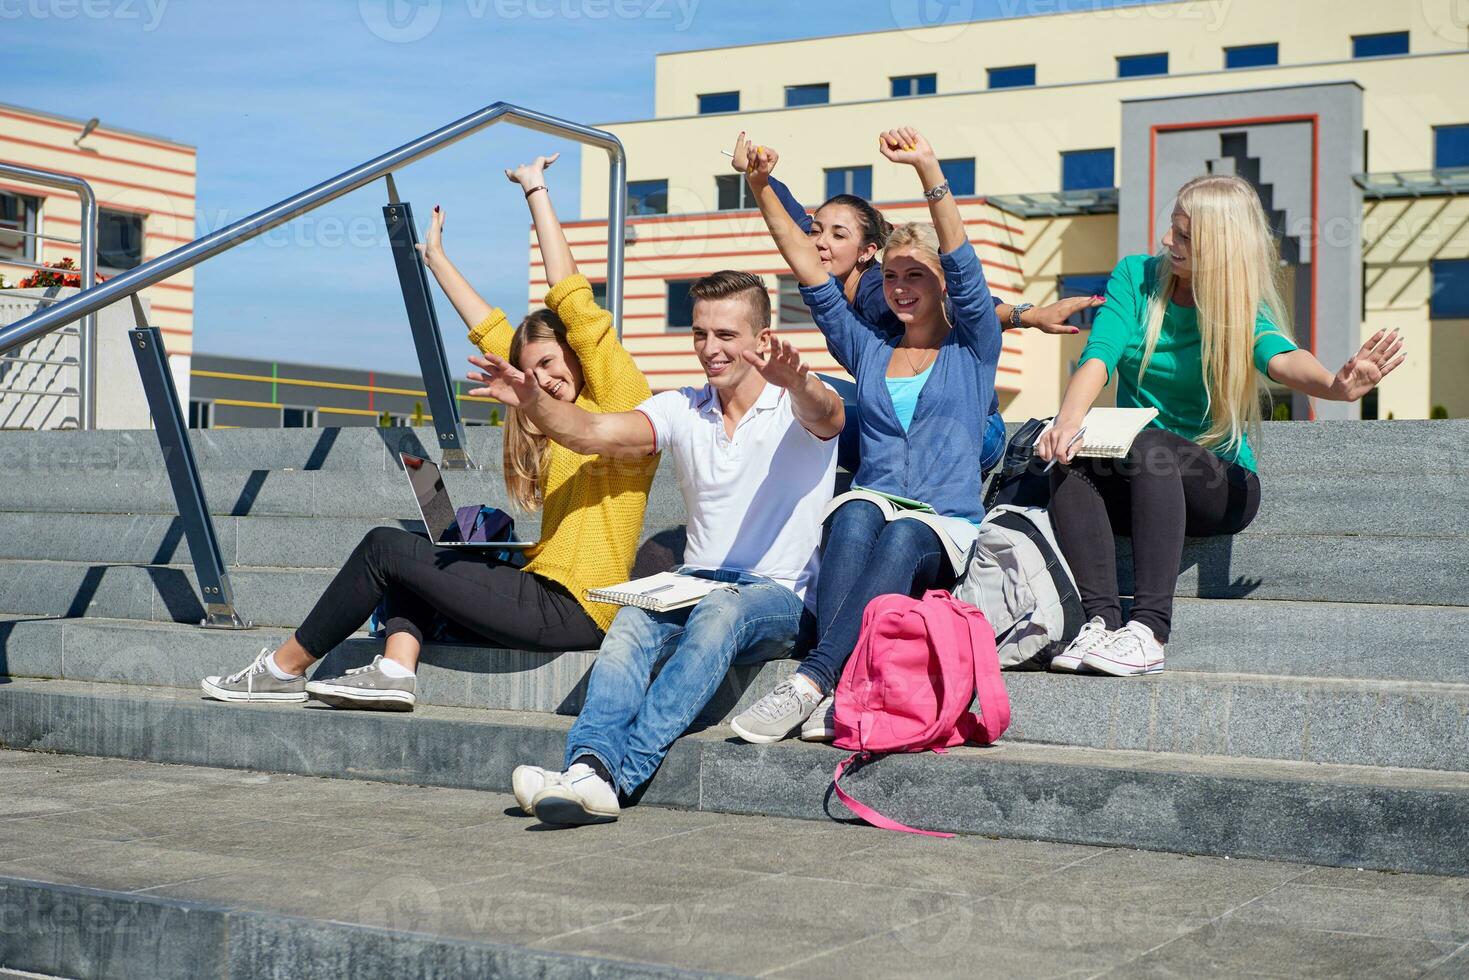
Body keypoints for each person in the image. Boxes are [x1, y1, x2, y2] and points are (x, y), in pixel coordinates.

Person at [201, 153, 658, 710]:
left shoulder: (618, 402)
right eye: (534, 368)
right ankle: (395, 667)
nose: (545, 377)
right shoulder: (550, 411)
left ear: (583, 357)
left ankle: (283, 668)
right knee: (422, 555)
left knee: (383, 548)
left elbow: (574, 300)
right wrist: (435, 259)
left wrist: (535, 189)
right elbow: (492, 334)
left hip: (574, 607)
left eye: (554, 362)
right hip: (546, 591)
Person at [473, 270, 843, 825]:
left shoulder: (795, 402)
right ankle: (588, 767)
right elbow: (591, 433)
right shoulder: (682, 408)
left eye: (725, 335)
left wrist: (799, 381)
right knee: (632, 617)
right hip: (692, 580)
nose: (710, 350)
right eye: (700, 334)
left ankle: (619, 776)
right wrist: (534, 404)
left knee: (723, 609)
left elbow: (827, 414)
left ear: (761, 340)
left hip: (779, 597)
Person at [1037, 174, 1405, 677]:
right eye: (1172, 228)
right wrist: (1067, 423)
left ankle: (1147, 631)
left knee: (1150, 447)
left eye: (1185, 236)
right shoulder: (1135, 278)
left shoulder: (1236, 305)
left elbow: (1281, 358)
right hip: (1141, 477)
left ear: (1219, 245)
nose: (1169, 241)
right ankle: (1101, 622)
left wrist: (1335, 386)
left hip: (1219, 486)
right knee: (1067, 461)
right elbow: (1099, 354)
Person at [730, 127, 1003, 743]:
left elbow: (963, 260)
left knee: (905, 531)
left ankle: (812, 680)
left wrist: (928, 168)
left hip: (942, 519)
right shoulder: (869, 349)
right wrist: (758, 186)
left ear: (943, 287)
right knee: (853, 515)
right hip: (875, 501)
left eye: (918, 276)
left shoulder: (973, 348)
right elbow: (804, 263)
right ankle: (840, 686)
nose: (902, 287)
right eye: (895, 275)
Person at [729, 131, 1102, 473]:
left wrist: (1029, 315)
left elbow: (963, 305)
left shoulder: (882, 292)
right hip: (908, 414)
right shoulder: (835, 280)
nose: (819, 242)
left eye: (837, 235)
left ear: (866, 252)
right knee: (789, 389)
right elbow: (793, 219)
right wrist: (758, 175)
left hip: (975, 433)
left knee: (806, 409)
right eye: (815, 232)